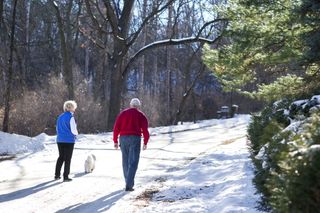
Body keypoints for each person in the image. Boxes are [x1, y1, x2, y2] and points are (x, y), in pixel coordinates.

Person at [113, 98, 150, 192]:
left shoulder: (123, 113)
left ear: (130, 105)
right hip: (135, 138)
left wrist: (115, 141)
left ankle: (127, 182)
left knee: (125, 161)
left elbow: (116, 127)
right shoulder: (141, 115)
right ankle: (129, 185)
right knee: (133, 162)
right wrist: (145, 142)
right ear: (138, 106)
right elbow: (145, 130)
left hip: (123, 138)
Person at [55, 100, 79, 182]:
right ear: (72, 108)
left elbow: (57, 128)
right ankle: (66, 176)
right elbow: (73, 130)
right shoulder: (71, 117)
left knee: (61, 157)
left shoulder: (60, 117)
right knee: (68, 158)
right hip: (68, 140)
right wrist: (76, 134)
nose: (74, 109)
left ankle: (57, 175)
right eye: (74, 107)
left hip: (60, 139)